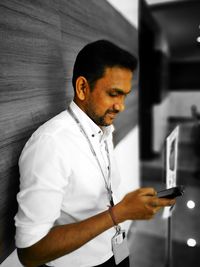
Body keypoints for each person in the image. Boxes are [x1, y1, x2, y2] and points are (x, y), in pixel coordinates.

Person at [15, 40, 175, 267]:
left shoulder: (103, 127)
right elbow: (30, 252)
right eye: (113, 94)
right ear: (82, 88)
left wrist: (134, 204)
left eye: (125, 95)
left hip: (114, 250)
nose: (121, 106)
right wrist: (119, 213)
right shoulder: (50, 144)